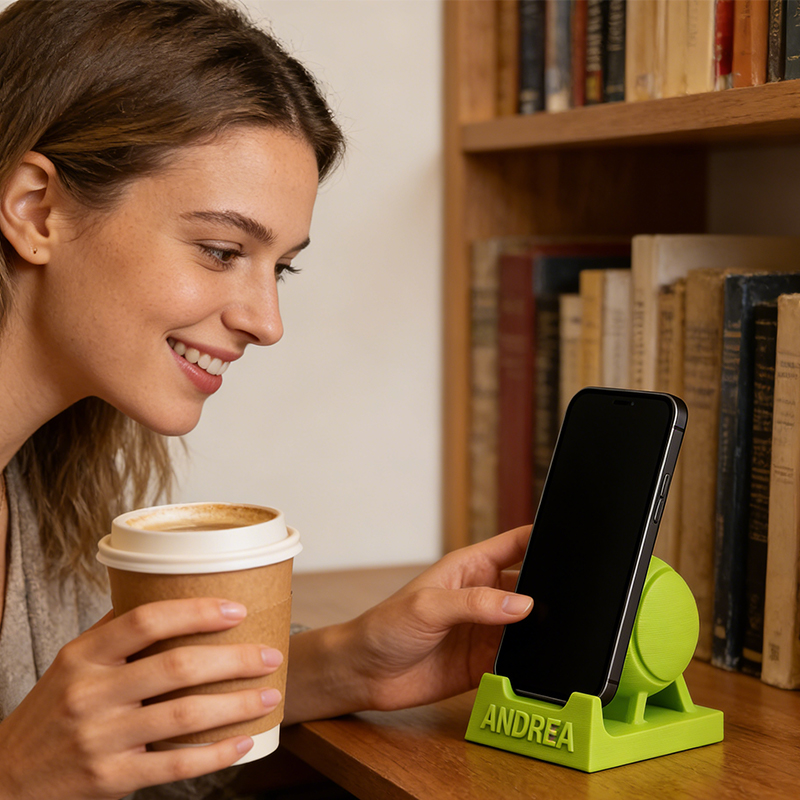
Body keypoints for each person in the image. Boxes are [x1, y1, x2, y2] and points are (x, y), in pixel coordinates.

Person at [0, 1, 533, 798]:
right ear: (36, 209)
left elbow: (117, 737)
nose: (266, 321)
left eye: (277, 267)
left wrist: (344, 665)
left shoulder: (44, 488)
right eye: (221, 251)